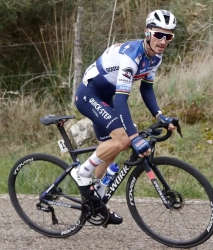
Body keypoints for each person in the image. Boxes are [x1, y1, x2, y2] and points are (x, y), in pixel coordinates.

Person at [72, 9, 177, 225]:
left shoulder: (155, 57)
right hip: (89, 94)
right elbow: (121, 100)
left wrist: (160, 115)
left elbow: (147, 89)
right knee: (124, 138)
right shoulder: (132, 56)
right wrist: (134, 136)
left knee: (111, 147)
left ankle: (96, 201)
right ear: (148, 33)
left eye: (169, 36)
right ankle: (81, 173)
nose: (163, 40)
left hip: (107, 98)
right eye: (159, 34)